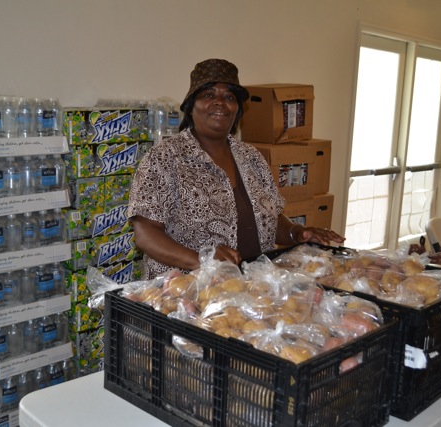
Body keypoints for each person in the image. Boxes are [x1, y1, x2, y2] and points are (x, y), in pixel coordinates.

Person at [128, 58, 345, 280]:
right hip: (184, 289)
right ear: (191, 106)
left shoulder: (252, 157)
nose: (220, 102)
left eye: (229, 97)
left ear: (237, 110)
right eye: (208, 95)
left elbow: (269, 217)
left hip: (249, 287)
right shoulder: (164, 158)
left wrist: (296, 232)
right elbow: (146, 234)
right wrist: (203, 261)